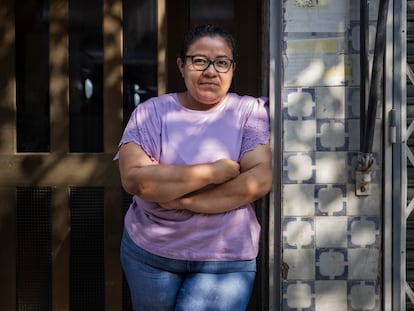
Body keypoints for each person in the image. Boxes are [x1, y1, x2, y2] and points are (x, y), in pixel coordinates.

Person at [115, 24, 272, 311]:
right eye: (199, 61)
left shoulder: (249, 112)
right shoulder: (151, 112)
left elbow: (259, 179)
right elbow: (137, 181)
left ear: (233, 68)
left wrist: (182, 200)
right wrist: (213, 172)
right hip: (151, 254)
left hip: (225, 258)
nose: (211, 71)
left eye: (222, 63)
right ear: (181, 65)